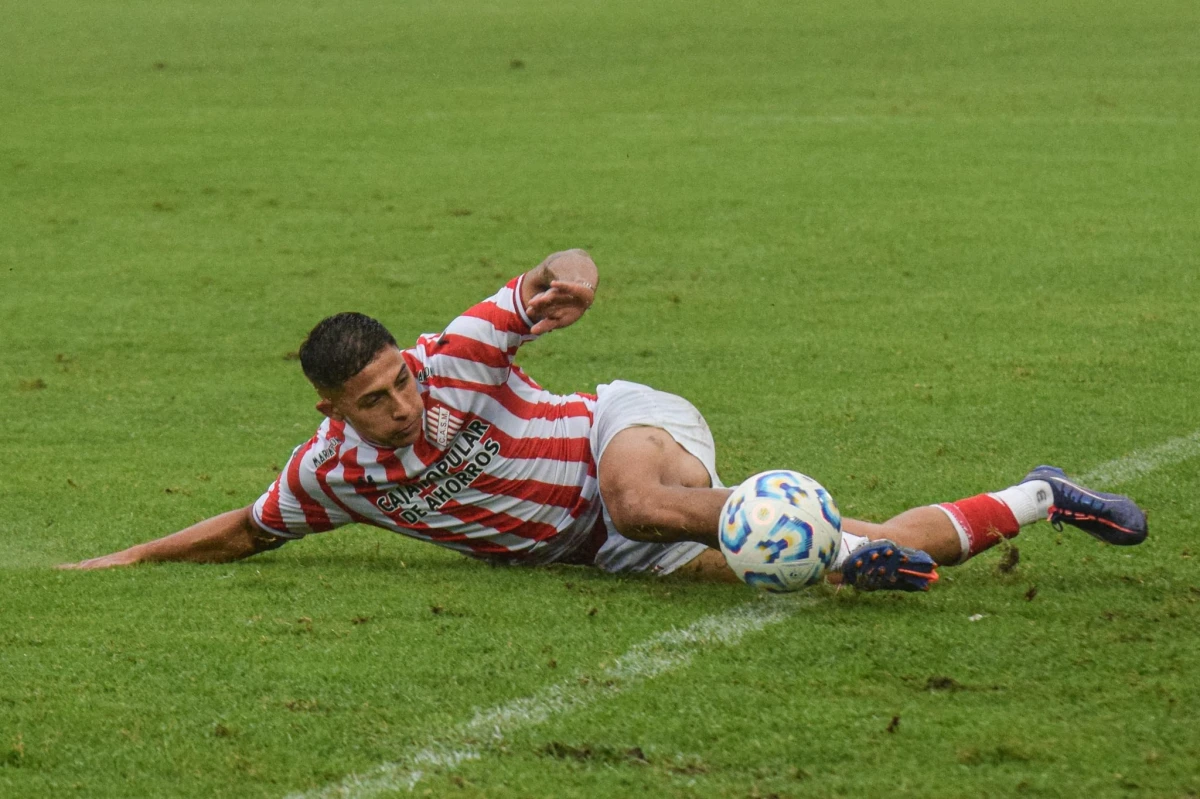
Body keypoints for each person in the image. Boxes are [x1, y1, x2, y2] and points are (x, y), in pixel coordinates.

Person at [58, 250, 1149, 591]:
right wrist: (124, 557)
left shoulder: (462, 349)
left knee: (644, 495)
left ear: (408, 358)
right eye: (373, 401)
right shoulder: (331, 474)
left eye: (400, 380)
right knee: (863, 555)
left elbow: (551, 271)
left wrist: (567, 282)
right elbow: (246, 527)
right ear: (331, 411)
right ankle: (1041, 494)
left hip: (617, 434)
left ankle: (787, 524)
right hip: (608, 553)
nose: (401, 405)